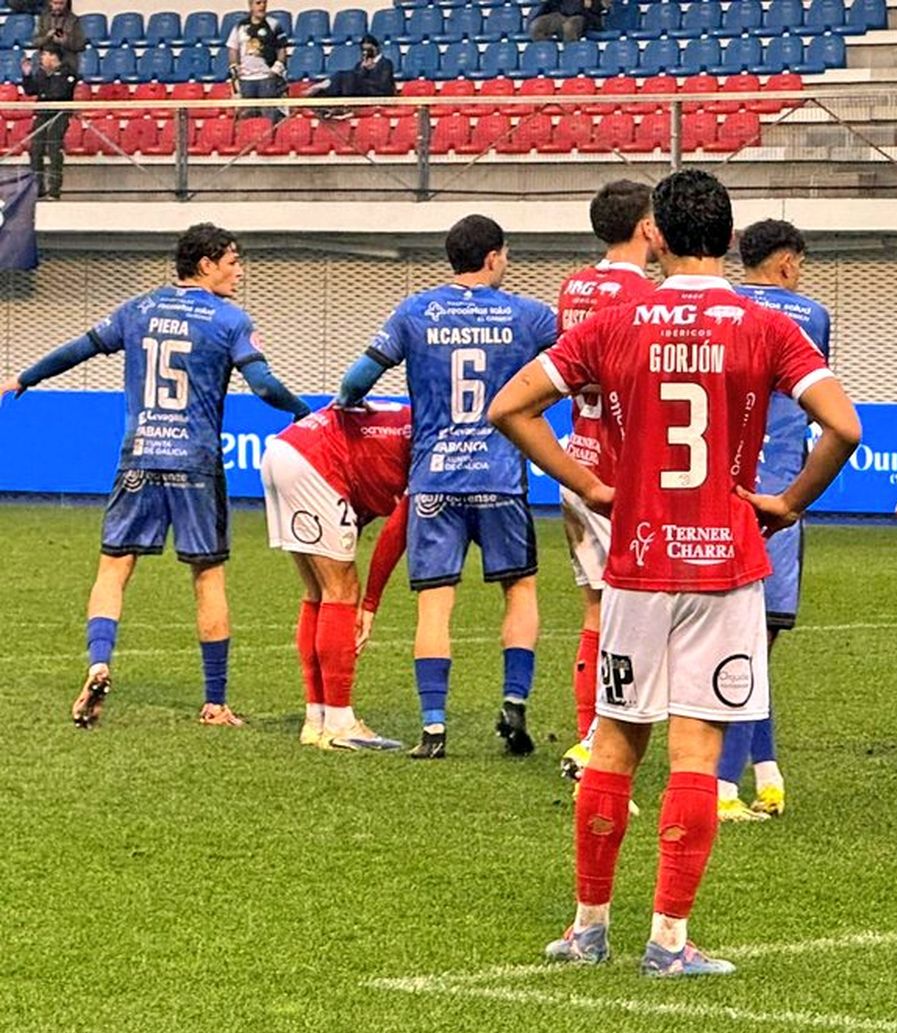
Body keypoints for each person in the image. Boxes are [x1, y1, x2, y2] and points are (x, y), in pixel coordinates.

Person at [488, 168, 859, 977]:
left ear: (656, 235)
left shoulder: (614, 324)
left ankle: (587, 927)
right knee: (696, 752)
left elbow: (508, 407)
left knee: (617, 742)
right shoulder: (764, 325)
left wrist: (587, 483)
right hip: (723, 560)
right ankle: (667, 940)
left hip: (636, 560)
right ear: (729, 239)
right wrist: (789, 501)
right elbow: (843, 426)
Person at [1, 223, 308, 727]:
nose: (240, 271)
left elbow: (78, 348)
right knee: (207, 576)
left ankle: (100, 661)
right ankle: (215, 702)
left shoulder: (138, 309)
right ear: (206, 265)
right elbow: (264, 385)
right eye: (233, 262)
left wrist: (25, 378)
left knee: (113, 569)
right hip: (196, 462)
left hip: (139, 457)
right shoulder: (229, 319)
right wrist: (301, 411)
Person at [334, 214, 558, 760]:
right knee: (520, 591)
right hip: (501, 478)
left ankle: (433, 729)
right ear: (493, 257)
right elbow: (573, 370)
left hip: (434, 479)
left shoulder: (415, 311)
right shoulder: (529, 316)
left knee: (435, 607)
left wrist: (348, 406)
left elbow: (356, 381)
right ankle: (514, 702)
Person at [714, 218, 832, 822]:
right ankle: (722, 786)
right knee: (752, 642)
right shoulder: (807, 315)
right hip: (776, 492)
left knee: (744, 643)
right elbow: (819, 403)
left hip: (716, 486)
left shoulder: (719, 306)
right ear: (787, 262)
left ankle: (766, 772)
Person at [553, 180, 659, 785]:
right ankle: (597, 742)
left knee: (595, 607)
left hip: (577, 456)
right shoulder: (640, 294)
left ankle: (587, 733)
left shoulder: (576, 286)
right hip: (618, 469)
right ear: (648, 228)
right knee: (629, 610)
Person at [260, 400, 412, 751]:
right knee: (342, 590)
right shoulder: (433, 444)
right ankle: (341, 723)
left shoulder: (407, 420)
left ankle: (316, 719)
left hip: (286, 448)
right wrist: (370, 603)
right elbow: (396, 532)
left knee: (317, 590)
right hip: (316, 462)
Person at [20, 39, 73, 201]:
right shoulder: (41, 73)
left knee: (54, 147)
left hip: (59, 114)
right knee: (35, 149)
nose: (41, 58)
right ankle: (37, 188)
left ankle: (54, 189)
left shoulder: (67, 73)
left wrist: (48, 80)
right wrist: (27, 76)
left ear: (53, 57)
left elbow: (59, 93)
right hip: (42, 113)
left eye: (44, 55)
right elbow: (31, 91)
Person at [227, 0, 288, 121]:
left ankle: (270, 139)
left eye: (264, 3)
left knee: (269, 116)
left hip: (267, 78)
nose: (262, 6)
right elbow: (233, 48)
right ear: (250, 5)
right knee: (247, 117)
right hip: (246, 79)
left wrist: (276, 68)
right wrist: (234, 66)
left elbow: (282, 49)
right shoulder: (240, 26)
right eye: (258, 3)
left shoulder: (274, 24)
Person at [308, 35, 395, 101]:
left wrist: (370, 69)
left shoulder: (386, 63)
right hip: (361, 92)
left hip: (379, 92)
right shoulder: (360, 64)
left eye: (369, 50)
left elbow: (383, 85)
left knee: (347, 76)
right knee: (342, 76)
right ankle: (323, 94)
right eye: (363, 50)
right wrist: (363, 68)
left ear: (376, 48)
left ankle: (325, 85)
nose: (366, 52)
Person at [31, 0, 84, 75]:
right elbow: (35, 42)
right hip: (46, 53)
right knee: (36, 57)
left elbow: (80, 45)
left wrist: (65, 41)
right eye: (55, 3)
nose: (58, 7)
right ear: (50, 3)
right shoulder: (43, 18)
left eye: (61, 3)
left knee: (71, 61)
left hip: (66, 55)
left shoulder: (74, 20)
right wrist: (48, 37)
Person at [528, 0, 604, 42]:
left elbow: (601, 6)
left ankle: (570, 56)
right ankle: (549, 54)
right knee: (536, 26)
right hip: (559, 13)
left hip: (581, 14)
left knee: (569, 27)